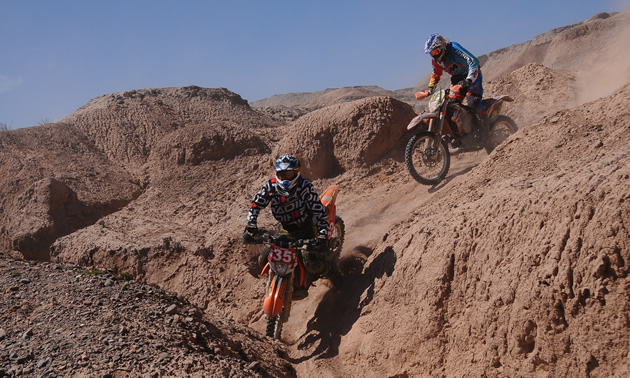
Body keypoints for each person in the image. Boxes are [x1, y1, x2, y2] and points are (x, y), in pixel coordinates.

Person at [242, 154, 331, 291]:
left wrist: (322, 235)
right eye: (282, 174)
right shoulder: (271, 186)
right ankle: (281, 281)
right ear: (277, 173)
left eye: (289, 174)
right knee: (263, 259)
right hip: (285, 229)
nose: (285, 178)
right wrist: (252, 224)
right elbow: (256, 204)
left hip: (307, 227)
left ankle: (332, 270)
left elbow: (319, 211)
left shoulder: (305, 186)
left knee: (310, 262)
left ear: (296, 173)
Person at [416, 33, 483, 135]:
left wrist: (468, 80)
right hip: (457, 80)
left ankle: (485, 136)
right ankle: (459, 135)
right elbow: (435, 75)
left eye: (436, 51)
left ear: (442, 47)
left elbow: (473, 62)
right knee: (450, 106)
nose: (435, 55)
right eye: (432, 53)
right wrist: (429, 89)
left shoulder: (454, 49)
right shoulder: (436, 61)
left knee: (474, 103)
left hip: (472, 76)